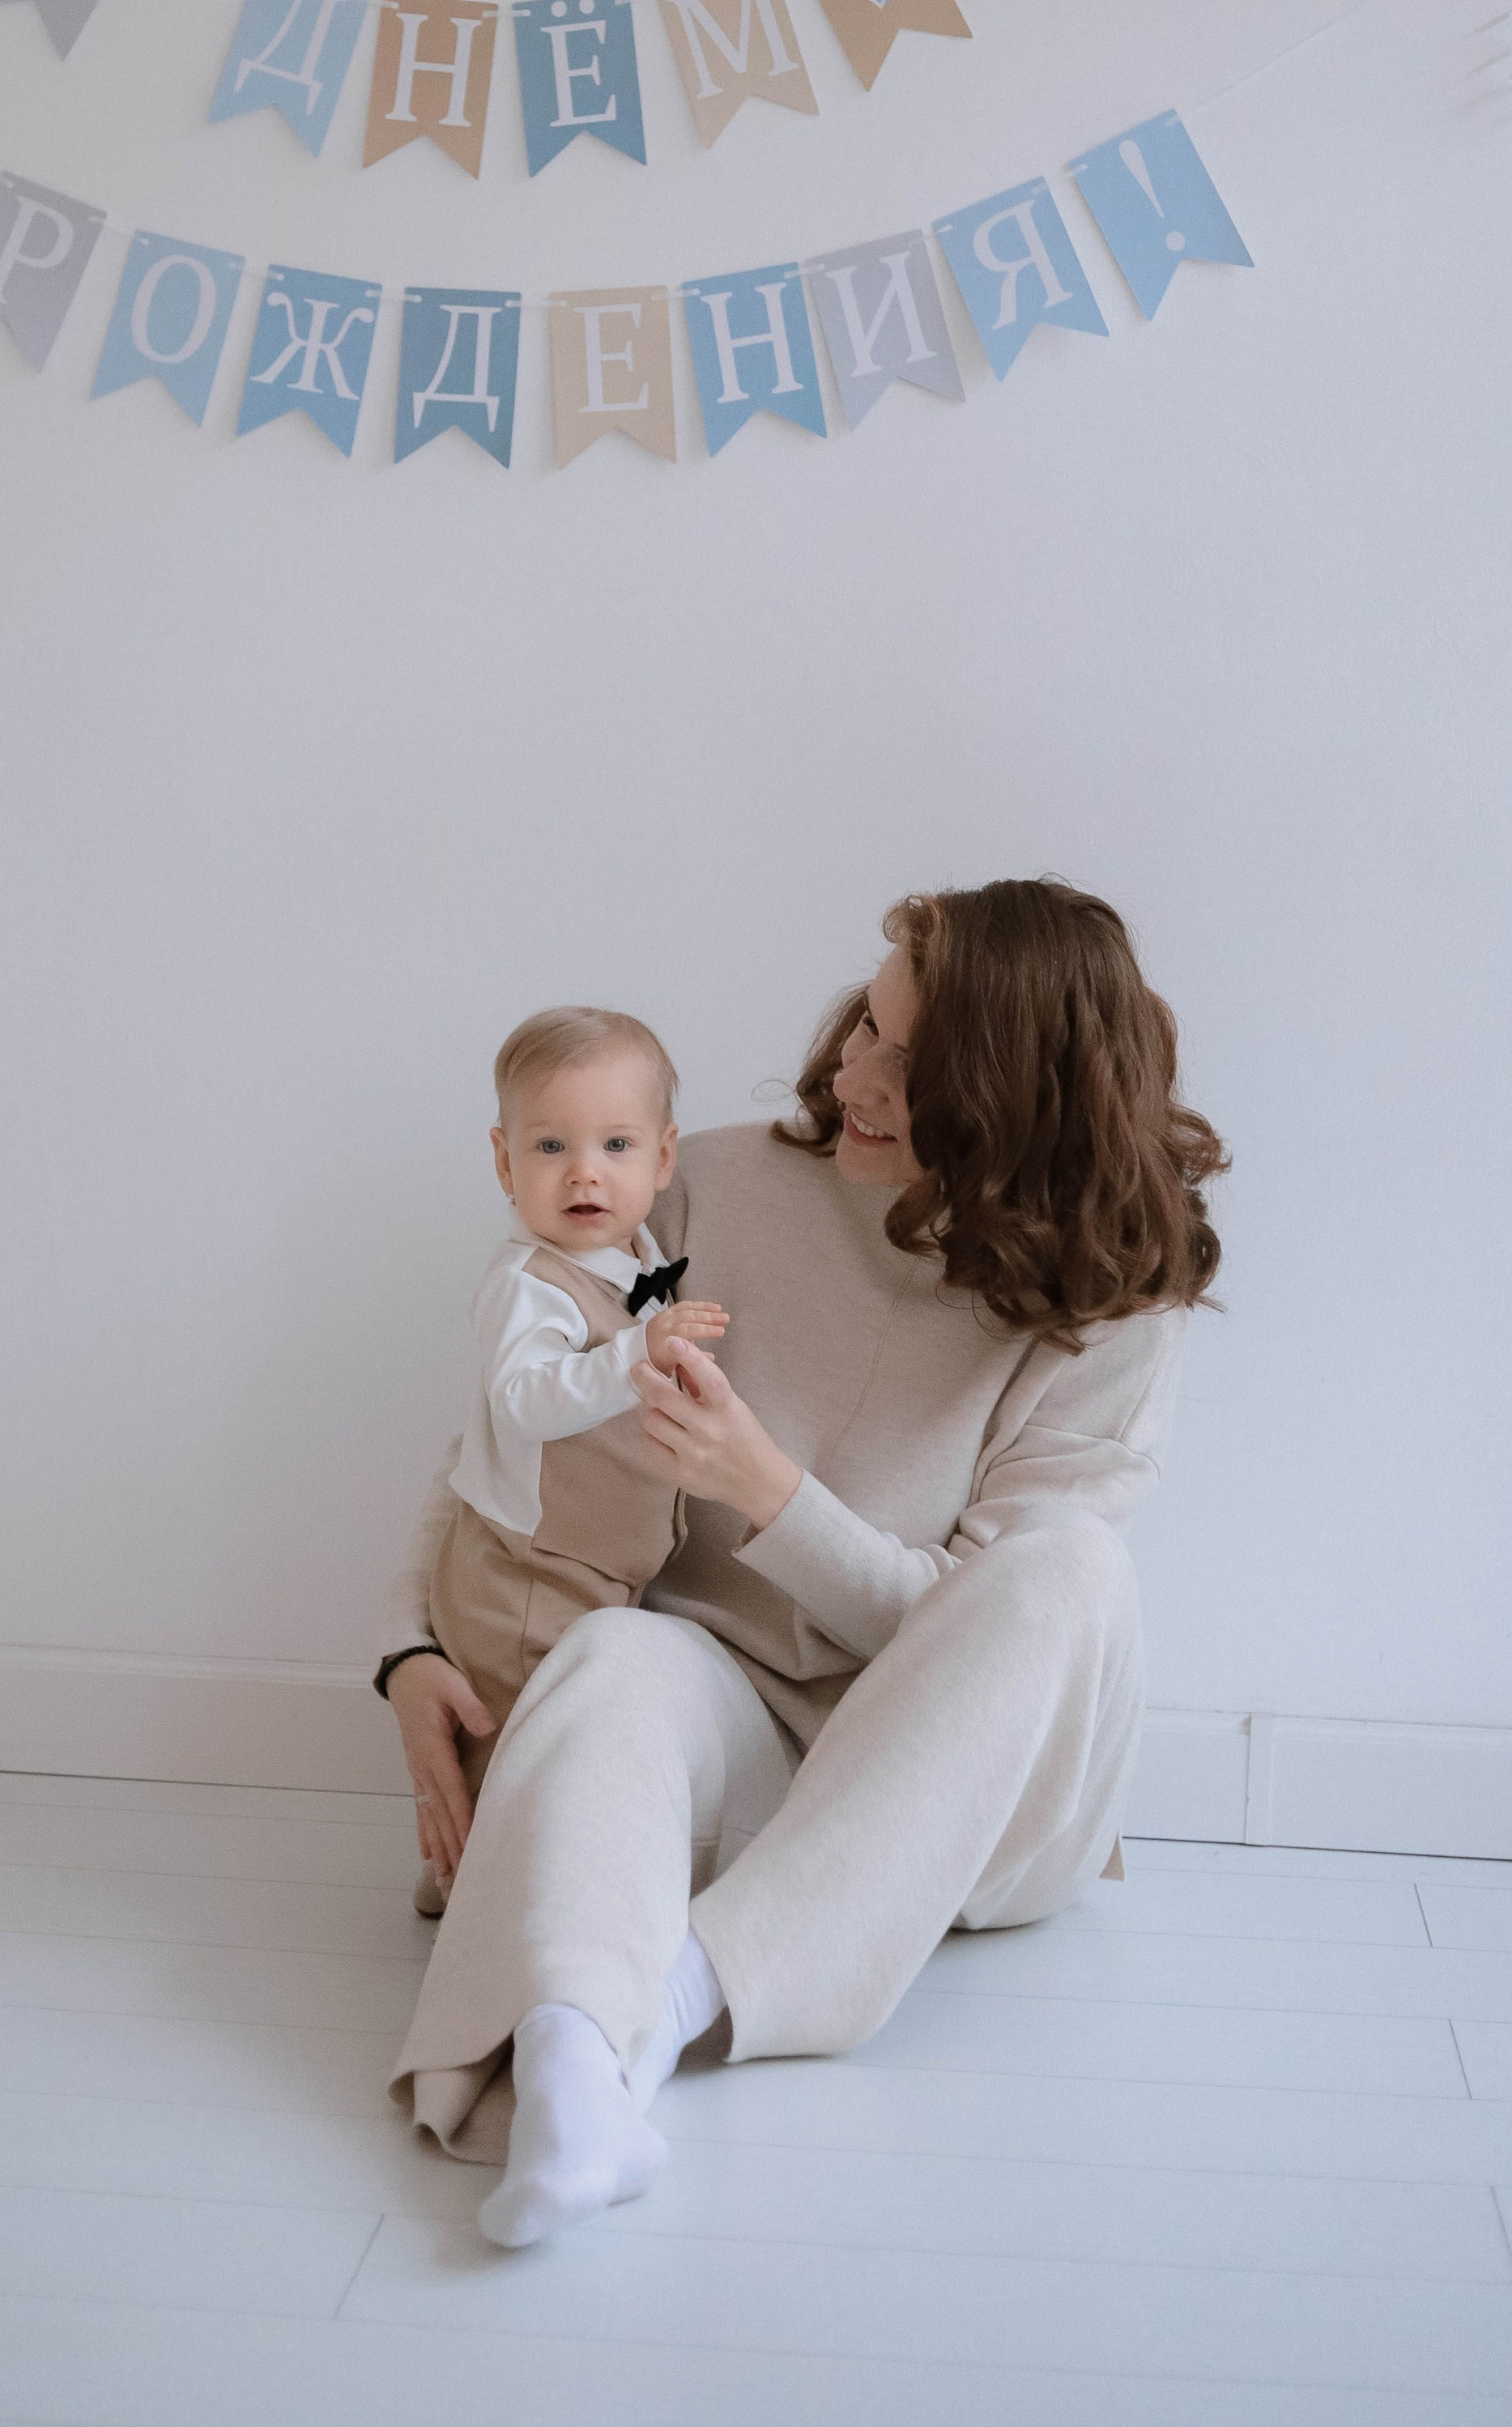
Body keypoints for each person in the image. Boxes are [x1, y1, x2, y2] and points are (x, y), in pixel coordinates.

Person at [377, 880, 1227, 2250]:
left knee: (1070, 1570)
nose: (851, 1072)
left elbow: (977, 1643)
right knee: (616, 1653)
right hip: (755, 1745)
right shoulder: (706, 1179)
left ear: (1010, 1098)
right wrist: (406, 1645)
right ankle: (575, 2062)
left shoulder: (1119, 1301)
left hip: (981, 1809)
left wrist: (763, 1488)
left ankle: (674, 2006)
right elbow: (519, 1412)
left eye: (906, 1059)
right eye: (866, 1025)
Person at [379, 1007, 729, 1905]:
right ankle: (476, 1882)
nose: (584, 1171)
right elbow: (525, 1399)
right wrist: (634, 1356)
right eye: (549, 1147)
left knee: (567, 1723)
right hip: (527, 1571)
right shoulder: (526, 1285)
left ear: (661, 1159)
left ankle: (498, 1869)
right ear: (504, 1162)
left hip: (599, 1562)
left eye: (615, 1143)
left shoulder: (635, 1256)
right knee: (516, 1724)